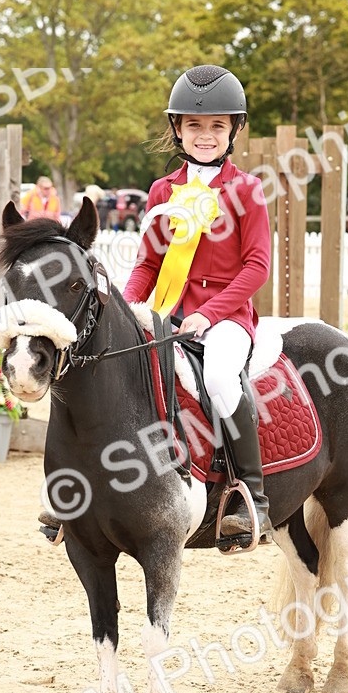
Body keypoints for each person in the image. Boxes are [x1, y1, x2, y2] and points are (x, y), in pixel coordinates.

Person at [122, 64, 272, 545]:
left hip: (227, 318)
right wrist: (126, 312)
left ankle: (252, 497)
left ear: (233, 131)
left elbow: (257, 266)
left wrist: (210, 313)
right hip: (172, 312)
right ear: (178, 130)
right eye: (194, 125)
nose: (205, 136)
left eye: (216, 127)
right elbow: (148, 265)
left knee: (219, 377)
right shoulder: (162, 192)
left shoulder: (245, 190)